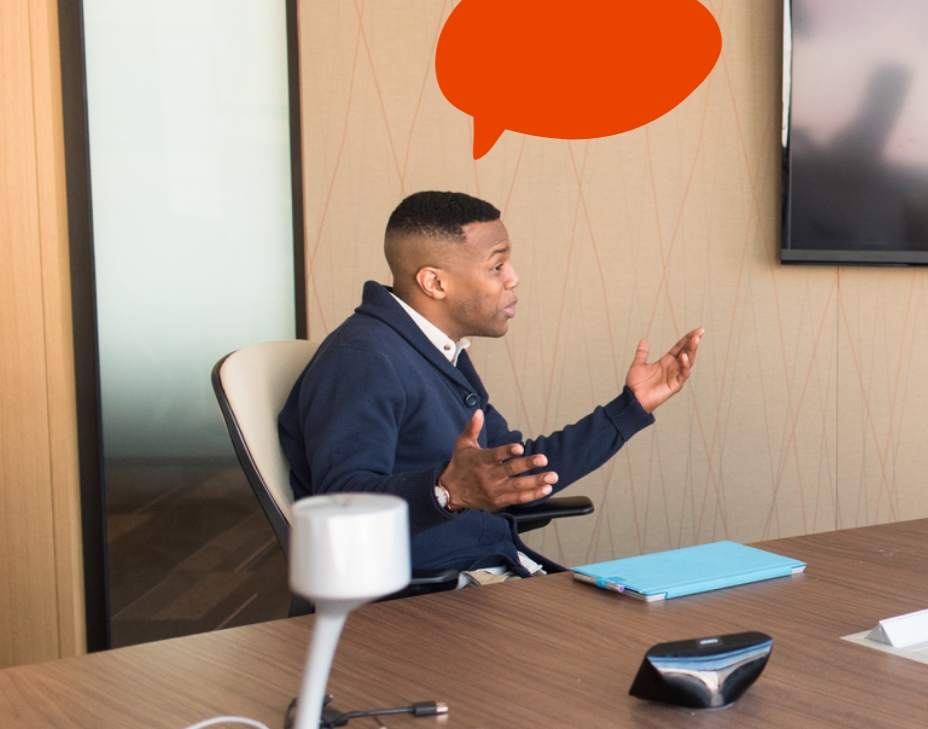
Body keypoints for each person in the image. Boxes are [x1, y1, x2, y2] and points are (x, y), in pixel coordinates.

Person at [280, 190, 703, 583]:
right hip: (423, 606)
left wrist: (630, 409)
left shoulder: (437, 351)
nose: (513, 277)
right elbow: (341, 510)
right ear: (435, 283)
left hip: (490, 573)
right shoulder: (364, 360)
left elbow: (517, 471)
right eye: (497, 265)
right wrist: (446, 491)